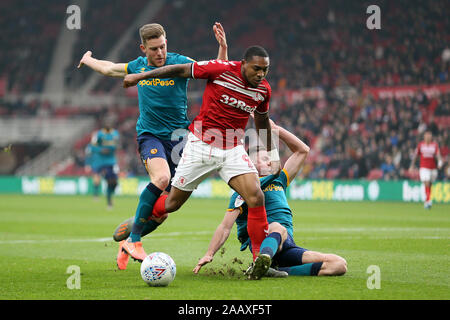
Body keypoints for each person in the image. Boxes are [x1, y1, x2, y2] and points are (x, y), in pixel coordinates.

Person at [123, 45, 281, 279]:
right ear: (243, 63)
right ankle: (140, 219)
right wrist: (140, 75)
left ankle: (260, 262)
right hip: (201, 146)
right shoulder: (220, 70)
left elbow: (262, 120)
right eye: (257, 69)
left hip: (232, 149)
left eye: (265, 70)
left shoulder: (263, 90)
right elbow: (178, 70)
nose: (261, 74)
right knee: (172, 204)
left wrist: (273, 153)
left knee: (256, 196)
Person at [78, 23, 228, 263]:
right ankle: (136, 239)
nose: (160, 53)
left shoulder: (179, 62)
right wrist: (88, 59)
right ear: (143, 49)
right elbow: (108, 69)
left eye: (163, 47)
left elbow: (217, 71)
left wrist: (222, 48)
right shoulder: (137, 66)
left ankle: (129, 242)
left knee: (165, 210)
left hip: (179, 140)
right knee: (161, 179)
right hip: (150, 135)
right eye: (154, 49)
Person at [192, 120, 347, 279]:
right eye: (265, 158)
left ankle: (275, 270)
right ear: (251, 163)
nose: (270, 161)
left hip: (286, 244)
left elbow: (302, 150)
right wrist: (209, 254)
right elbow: (225, 227)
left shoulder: (280, 179)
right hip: (265, 241)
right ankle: (261, 260)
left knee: (338, 264)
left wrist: (276, 129)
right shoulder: (243, 192)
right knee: (278, 227)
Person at [84, 119, 120, 209]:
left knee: (114, 183)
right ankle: (107, 201)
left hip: (111, 161)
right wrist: (100, 150)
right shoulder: (99, 134)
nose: (108, 124)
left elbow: (117, 145)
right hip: (100, 161)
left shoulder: (115, 134)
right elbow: (91, 146)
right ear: (103, 125)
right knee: (100, 179)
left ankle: (109, 195)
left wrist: (114, 148)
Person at [409, 130, 443, 209]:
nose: (428, 137)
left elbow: (438, 155)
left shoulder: (434, 145)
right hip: (424, 167)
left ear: (431, 137)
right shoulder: (421, 145)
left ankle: (427, 199)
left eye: (429, 135)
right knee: (426, 182)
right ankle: (428, 201)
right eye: (427, 135)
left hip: (433, 168)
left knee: (429, 184)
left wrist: (440, 162)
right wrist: (412, 165)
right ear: (424, 137)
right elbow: (415, 156)